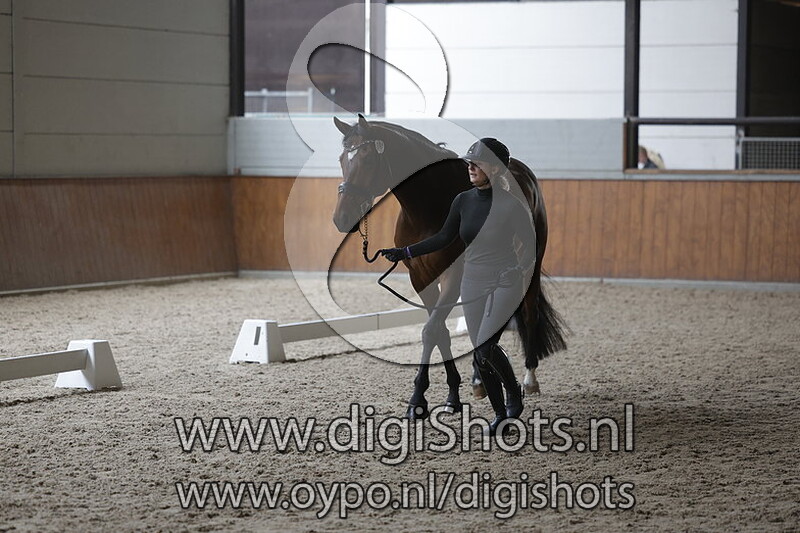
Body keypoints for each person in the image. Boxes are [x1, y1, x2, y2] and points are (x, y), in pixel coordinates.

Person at [380, 138, 536, 435]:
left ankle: (513, 392)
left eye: (477, 163)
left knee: (485, 347)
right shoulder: (463, 201)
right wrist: (405, 252)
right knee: (480, 353)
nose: (471, 167)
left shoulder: (513, 206)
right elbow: (443, 238)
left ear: (496, 168)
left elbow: (530, 248)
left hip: (504, 281)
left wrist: (517, 270)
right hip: (473, 282)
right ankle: (500, 415)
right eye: (469, 163)